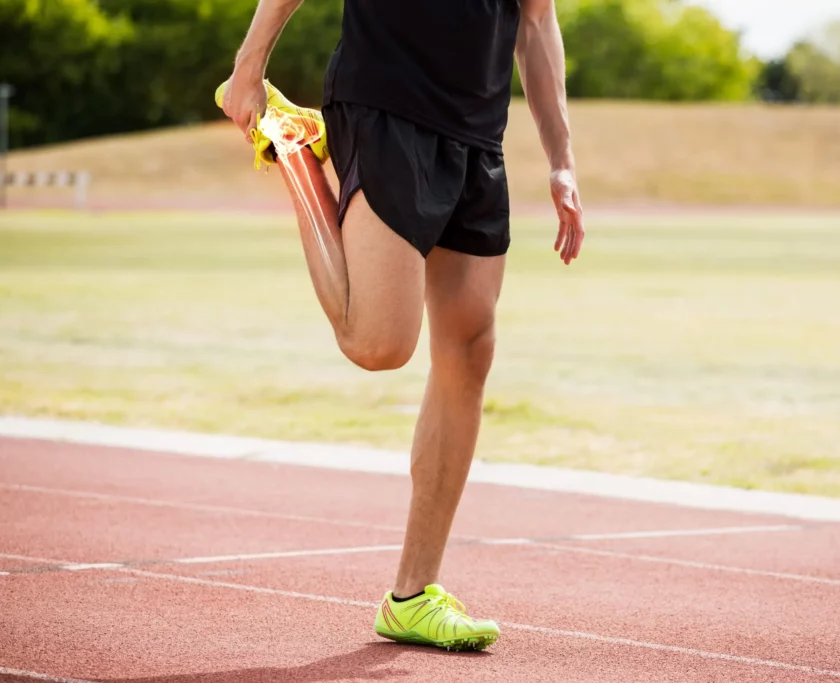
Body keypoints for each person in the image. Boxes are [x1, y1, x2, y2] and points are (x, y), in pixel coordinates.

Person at [216, 0, 584, 651]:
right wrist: (250, 68)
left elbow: (535, 19)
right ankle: (295, 153)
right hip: (386, 104)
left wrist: (562, 160)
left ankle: (412, 595)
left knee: (469, 350)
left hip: (476, 131)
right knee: (377, 342)